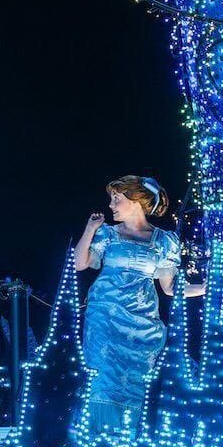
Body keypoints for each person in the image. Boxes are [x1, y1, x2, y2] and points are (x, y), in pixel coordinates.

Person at [74, 175, 204, 433]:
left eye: (117, 199)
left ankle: (130, 434)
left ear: (135, 202)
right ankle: (100, 434)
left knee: (137, 376)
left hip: (141, 319)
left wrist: (205, 288)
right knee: (103, 372)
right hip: (105, 315)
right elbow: (80, 263)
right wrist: (89, 229)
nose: (111, 205)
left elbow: (170, 288)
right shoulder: (108, 234)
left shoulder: (164, 241)